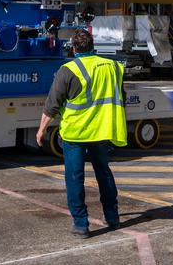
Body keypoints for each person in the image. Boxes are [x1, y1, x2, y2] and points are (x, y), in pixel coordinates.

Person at [36, 29, 126, 237]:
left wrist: (41, 130)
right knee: (104, 173)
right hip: (102, 131)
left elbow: (52, 104)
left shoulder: (68, 70)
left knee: (75, 177)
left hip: (75, 134)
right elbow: (120, 95)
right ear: (93, 46)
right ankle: (112, 217)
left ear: (74, 49)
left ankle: (81, 224)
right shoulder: (113, 67)